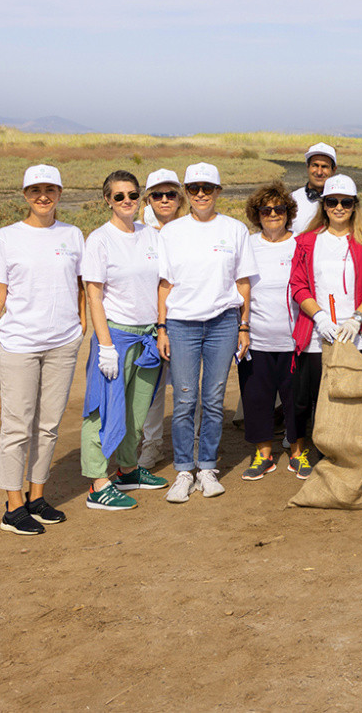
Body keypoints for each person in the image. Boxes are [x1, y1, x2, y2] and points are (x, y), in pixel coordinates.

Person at [0, 165, 84, 535]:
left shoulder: (73, 234)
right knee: (17, 427)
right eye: (35, 190)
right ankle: (13, 506)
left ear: (59, 192)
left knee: (49, 424)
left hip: (62, 343)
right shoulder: (7, 238)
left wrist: (80, 326)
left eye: (50, 189)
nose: (43, 196)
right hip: (19, 345)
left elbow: (81, 284)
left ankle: (36, 497)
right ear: (25, 195)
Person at [157, 162, 257, 504]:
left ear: (218, 192)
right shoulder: (171, 232)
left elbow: (242, 282)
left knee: (214, 399)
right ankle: (185, 469)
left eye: (208, 188)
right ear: (186, 192)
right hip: (181, 324)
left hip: (223, 324)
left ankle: (208, 467)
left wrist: (244, 325)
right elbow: (165, 283)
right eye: (194, 188)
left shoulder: (234, 230)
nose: (201, 194)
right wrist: (162, 327)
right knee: (185, 399)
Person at [289, 174, 362, 478]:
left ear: (355, 205)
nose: (339, 207)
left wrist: (357, 318)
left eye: (346, 202)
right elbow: (298, 284)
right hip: (319, 335)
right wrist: (318, 317)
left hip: (360, 334)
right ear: (324, 205)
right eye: (332, 201)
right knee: (318, 397)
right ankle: (323, 454)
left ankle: (361, 453)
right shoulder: (306, 241)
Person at [79, 170, 168, 511]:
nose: (127, 201)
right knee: (101, 409)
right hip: (115, 336)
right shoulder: (99, 240)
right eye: (119, 196)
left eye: (132, 194)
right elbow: (94, 296)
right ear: (108, 200)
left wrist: (161, 328)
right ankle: (98, 483)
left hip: (147, 337)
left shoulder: (150, 235)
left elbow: (162, 283)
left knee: (137, 409)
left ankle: (128, 469)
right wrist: (105, 346)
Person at [236, 182, 299, 480]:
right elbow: (240, 286)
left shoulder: (301, 244)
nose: (273, 214)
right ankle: (264, 455)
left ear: (289, 212)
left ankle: (298, 452)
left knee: (295, 398)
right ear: (256, 214)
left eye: (279, 209)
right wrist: (242, 328)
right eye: (266, 209)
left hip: (294, 338)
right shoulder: (247, 245)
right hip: (256, 337)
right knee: (257, 399)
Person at [136, 168, 184, 469]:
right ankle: (152, 444)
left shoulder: (193, 229)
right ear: (148, 200)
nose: (164, 200)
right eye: (157, 195)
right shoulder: (140, 234)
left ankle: (186, 444)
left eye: (170, 194)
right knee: (152, 389)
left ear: (180, 198)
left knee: (185, 387)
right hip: (151, 322)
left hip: (186, 320)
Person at [291, 142, 337, 235]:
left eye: (324, 167)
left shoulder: (344, 204)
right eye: (315, 165)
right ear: (307, 167)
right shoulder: (291, 200)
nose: (319, 172)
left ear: (334, 170)